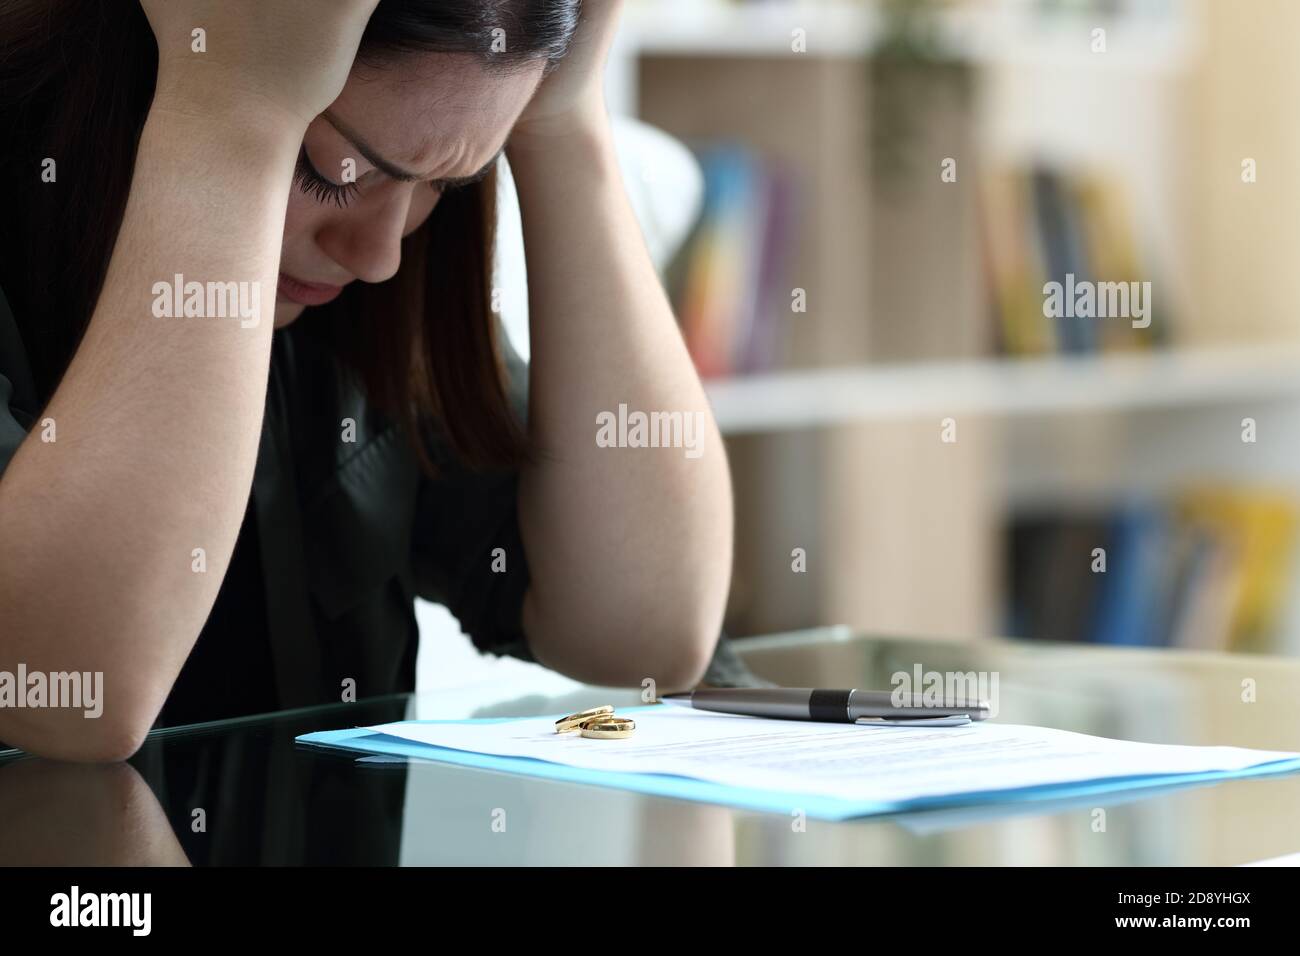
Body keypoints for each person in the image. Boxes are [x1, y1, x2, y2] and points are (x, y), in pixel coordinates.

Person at [0, 0, 735, 761]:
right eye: (328, 172)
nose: (378, 255)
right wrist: (231, 115)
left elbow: (647, 632)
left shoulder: (366, 313)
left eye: (441, 186)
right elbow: (65, 692)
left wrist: (566, 119)